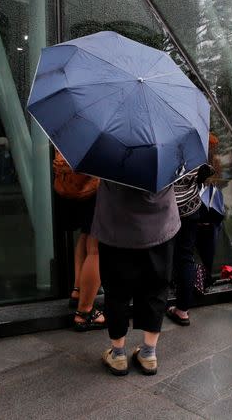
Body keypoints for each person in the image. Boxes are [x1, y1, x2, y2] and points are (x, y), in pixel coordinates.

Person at [92, 180, 180, 376]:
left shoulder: (109, 150)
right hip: (160, 224)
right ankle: (148, 354)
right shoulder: (167, 149)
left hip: (116, 225)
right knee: (156, 287)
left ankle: (118, 355)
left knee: (116, 289)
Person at [52, 150, 105, 331]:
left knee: (85, 235)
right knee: (96, 249)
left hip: (73, 183)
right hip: (93, 187)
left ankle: (78, 290)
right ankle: (84, 312)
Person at [166, 163, 215, 326]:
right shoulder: (192, 143)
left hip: (166, 208)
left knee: (161, 256)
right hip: (190, 207)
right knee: (186, 256)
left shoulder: (162, 142)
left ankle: (153, 311)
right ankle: (182, 310)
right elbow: (207, 170)